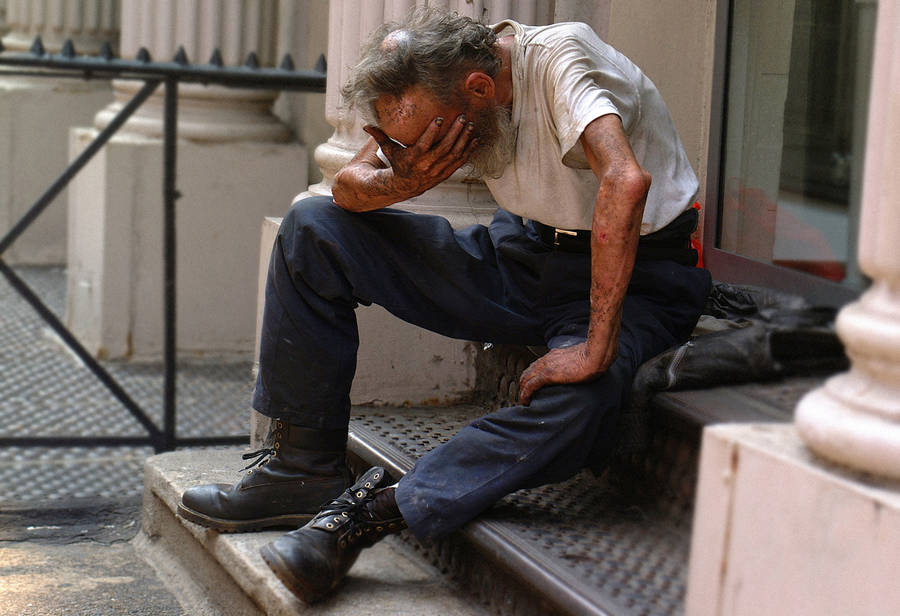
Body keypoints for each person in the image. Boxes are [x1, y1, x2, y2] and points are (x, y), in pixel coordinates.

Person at [176, 7, 712, 603]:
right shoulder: (436, 78)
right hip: (524, 255)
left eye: (425, 134)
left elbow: (625, 181)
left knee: (585, 401)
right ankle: (299, 471)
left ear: (479, 90)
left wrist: (595, 345)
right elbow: (348, 186)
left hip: (636, 275)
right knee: (313, 227)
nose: (413, 147)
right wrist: (400, 181)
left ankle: (370, 513)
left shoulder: (562, 59)